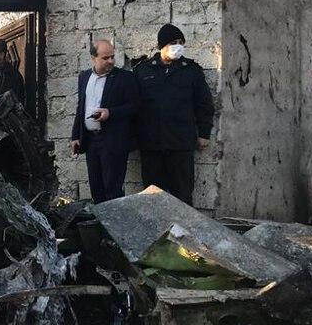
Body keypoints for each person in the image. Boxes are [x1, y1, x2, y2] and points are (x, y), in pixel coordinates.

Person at [133, 23, 215, 206]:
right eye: (173, 43)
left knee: (183, 195)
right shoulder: (143, 70)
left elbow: (204, 104)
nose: (178, 46)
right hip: (152, 144)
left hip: (180, 144)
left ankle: (182, 226)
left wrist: (204, 133)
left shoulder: (191, 70)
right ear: (162, 45)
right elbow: (134, 106)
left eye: (180, 42)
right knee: (152, 197)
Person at [69, 40, 140, 203]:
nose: (111, 61)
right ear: (93, 58)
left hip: (113, 141)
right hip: (90, 140)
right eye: (105, 58)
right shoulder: (84, 77)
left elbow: (134, 106)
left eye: (112, 57)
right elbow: (81, 107)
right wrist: (75, 136)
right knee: (96, 189)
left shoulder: (124, 78)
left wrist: (110, 113)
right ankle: (99, 219)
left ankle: (114, 220)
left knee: (112, 191)